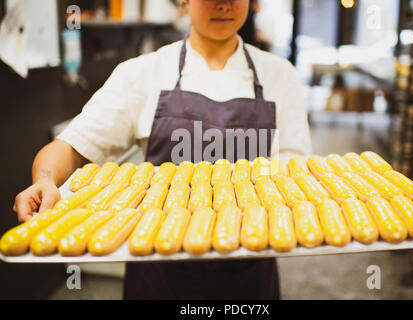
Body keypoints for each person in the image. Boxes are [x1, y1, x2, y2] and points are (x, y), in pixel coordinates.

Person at [13, 0, 312, 299]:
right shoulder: (143, 73)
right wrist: (45, 179)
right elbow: (71, 146)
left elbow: (295, 173)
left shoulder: (279, 75)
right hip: (158, 270)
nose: (223, 5)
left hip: (249, 270)